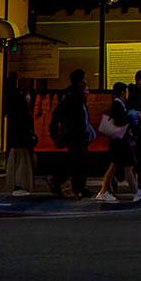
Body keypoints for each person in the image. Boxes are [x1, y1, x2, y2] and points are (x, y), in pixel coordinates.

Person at [49, 69, 91, 198]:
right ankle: (61, 181)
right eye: (84, 78)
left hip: (79, 133)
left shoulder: (75, 94)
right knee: (76, 162)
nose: (86, 81)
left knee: (79, 162)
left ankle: (78, 187)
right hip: (75, 134)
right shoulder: (72, 96)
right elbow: (60, 113)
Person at [3, 72, 37, 197]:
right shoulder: (24, 114)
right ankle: (20, 185)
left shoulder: (13, 112)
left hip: (15, 142)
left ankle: (16, 185)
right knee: (23, 165)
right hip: (22, 142)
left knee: (16, 164)